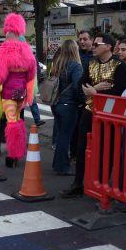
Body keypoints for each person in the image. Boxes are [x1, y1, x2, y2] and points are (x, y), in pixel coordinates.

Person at [61, 33, 126, 197]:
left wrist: (94, 90)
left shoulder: (119, 65)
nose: (93, 47)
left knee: (107, 149)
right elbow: (81, 84)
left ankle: (103, 185)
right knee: (82, 147)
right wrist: (97, 89)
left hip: (110, 116)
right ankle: (78, 183)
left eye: (97, 45)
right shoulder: (91, 63)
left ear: (108, 47)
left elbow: (118, 91)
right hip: (90, 111)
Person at [0, 14, 38, 168]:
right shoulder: (27, 50)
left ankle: (13, 154)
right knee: (17, 119)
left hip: (9, 93)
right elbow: (32, 73)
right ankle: (18, 152)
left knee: (11, 121)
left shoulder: (5, 49)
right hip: (22, 92)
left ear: (8, 31)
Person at [50, 39, 83, 175]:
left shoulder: (57, 65)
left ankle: (57, 163)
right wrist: (81, 100)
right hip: (69, 105)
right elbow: (77, 86)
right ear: (75, 50)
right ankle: (63, 166)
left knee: (60, 136)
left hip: (56, 104)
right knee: (65, 137)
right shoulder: (75, 66)